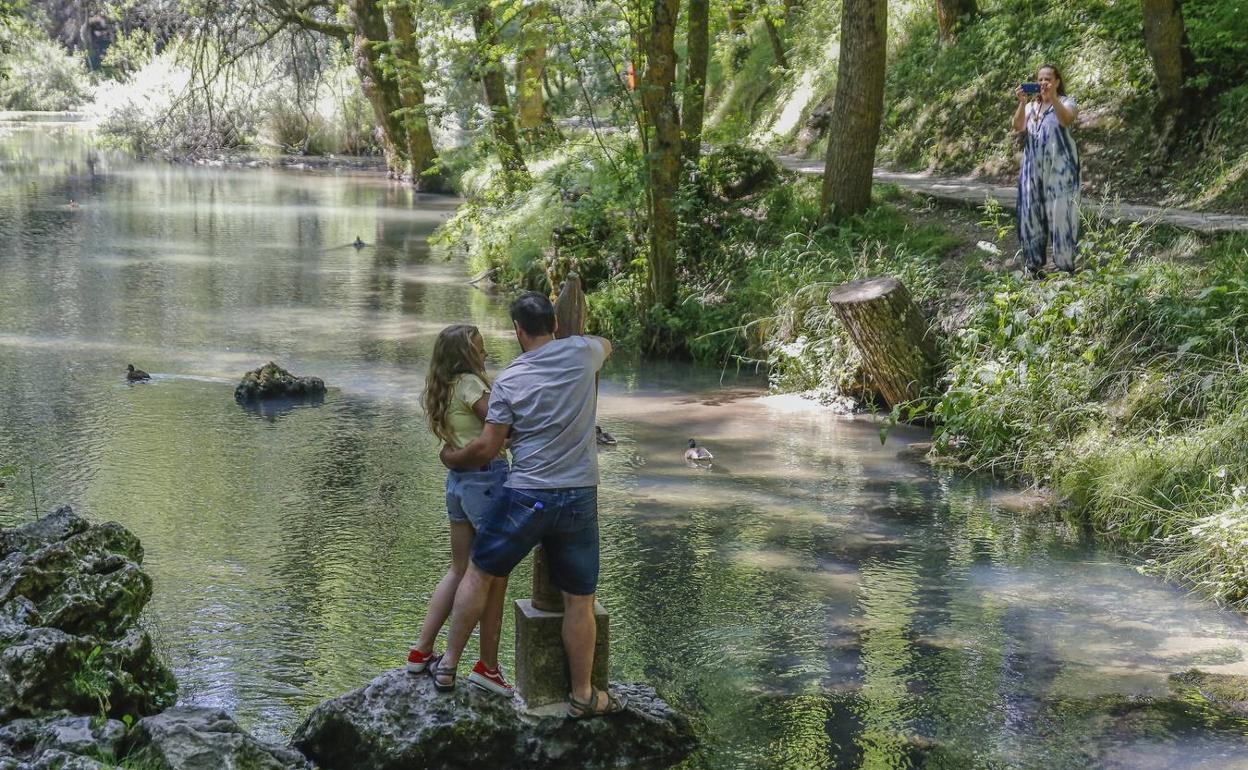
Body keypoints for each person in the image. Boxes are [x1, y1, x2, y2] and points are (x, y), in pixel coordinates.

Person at [429, 292, 625, 718]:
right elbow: (606, 345)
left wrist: (450, 457)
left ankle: (447, 666)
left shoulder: (511, 379)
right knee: (580, 600)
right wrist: (578, 343)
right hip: (578, 496)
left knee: (479, 571)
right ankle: (582, 696)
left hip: (527, 496)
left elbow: (486, 448)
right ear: (554, 323)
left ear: (517, 331)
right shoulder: (584, 353)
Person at [405, 324, 514, 697]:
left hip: (459, 485)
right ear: (466, 355)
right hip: (486, 480)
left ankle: (420, 651)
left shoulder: (444, 387)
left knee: (459, 569)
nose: (485, 355)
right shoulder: (470, 383)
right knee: (492, 575)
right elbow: (500, 423)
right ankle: (488, 666)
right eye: (480, 349)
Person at [1012, 64, 1080, 276]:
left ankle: (1065, 267)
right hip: (1033, 171)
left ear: (1057, 82)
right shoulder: (1031, 108)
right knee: (1030, 215)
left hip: (1061, 171)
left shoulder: (1067, 102)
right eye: (1040, 79)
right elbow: (1017, 126)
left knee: (1063, 215)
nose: (1043, 83)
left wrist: (1054, 98)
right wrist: (1022, 103)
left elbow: (1066, 119)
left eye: (1048, 79)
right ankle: (1033, 265)